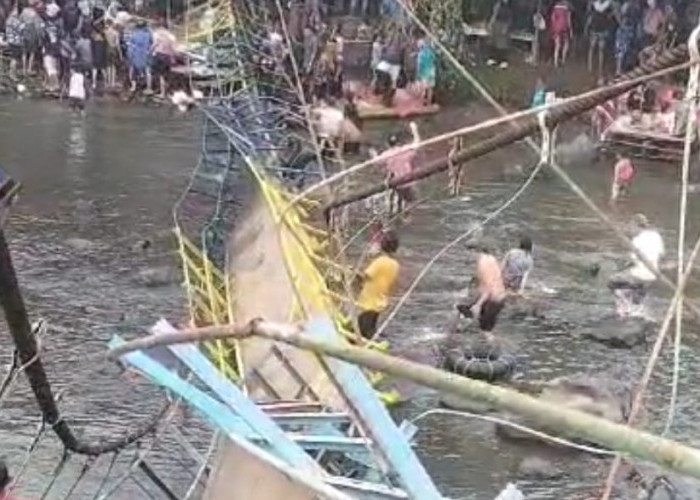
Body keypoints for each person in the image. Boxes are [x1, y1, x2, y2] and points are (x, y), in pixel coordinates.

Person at [608, 214, 665, 318]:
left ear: (636, 225)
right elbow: (661, 255)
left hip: (639, 274)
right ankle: (637, 304)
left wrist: (624, 265)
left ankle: (623, 308)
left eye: (631, 227)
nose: (630, 230)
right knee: (633, 285)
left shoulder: (636, 240)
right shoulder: (656, 235)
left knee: (612, 281)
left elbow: (633, 260)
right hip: (653, 274)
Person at [356, 229, 400, 339]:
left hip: (369, 302)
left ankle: (368, 346)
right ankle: (376, 339)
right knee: (371, 326)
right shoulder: (395, 265)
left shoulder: (379, 261)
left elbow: (366, 276)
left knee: (363, 330)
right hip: (380, 302)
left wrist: (354, 273)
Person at [371, 121, 421, 215]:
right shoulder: (405, 151)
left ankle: (396, 212)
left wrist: (373, 154)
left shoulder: (386, 155)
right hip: (407, 182)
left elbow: (376, 163)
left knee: (399, 199)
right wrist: (415, 130)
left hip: (395, 183)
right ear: (399, 142)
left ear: (388, 144)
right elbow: (417, 143)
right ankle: (406, 215)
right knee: (414, 203)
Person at [457, 249, 507, 339]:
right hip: (499, 298)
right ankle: (460, 329)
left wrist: (478, 305)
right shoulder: (491, 259)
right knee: (464, 310)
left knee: (485, 331)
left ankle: (492, 347)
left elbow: (488, 288)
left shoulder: (482, 264)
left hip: (492, 300)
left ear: (474, 251)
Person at [586, 0, 614, 77]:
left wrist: (587, 27)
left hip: (599, 29)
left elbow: (590, 16)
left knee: (596, 49)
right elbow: (590, 16)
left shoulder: (596, 4)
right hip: (599, 29)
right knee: (597, 49)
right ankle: (594, 67)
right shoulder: (607, 4)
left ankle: (594, 67)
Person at [151, 20, 177, 98]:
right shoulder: (171, 36)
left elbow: (154, 44)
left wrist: (149, 51)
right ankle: (168, 92)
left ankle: (162, 93)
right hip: (167, 56)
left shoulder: (157, 34)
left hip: (159, 55)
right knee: (167, 75)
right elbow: (173, 48)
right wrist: (173, 57)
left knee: (161, 76)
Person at [488, 0, 513, 68]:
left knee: (503, 44)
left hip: (504, 24)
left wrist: (506, 27)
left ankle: (503, 60)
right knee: (494, 41)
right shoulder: (498, 4)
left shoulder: (509, 7)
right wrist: (491, 23)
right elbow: (494, 14)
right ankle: (493, 59)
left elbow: (510, 18)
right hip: (497, 24)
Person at [550, 0, 573, 67]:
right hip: (564, 27)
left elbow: (552, 18)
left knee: (557, 45)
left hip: (556, 28)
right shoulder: (567, 7)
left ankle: (555, 62)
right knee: (566, 44)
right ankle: (563, 60)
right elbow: (569, 20)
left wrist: (553, 27)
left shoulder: (555, 6)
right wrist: (571, 30)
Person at [4, 7, 24, 80]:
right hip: (16, 42)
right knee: (15, 59)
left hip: (10, 41)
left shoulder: (8, 20)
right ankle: (12, 74)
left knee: (13, 58)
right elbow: (21, 29)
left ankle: (11, 73)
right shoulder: (15, 21)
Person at [416, 38, 436, 105]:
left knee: (424, 88)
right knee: (431, 87)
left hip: (424, 72)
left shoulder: (420, 54)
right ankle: (430, 101)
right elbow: (434, 60)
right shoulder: (430, 52)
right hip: (431, 70)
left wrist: (418, 74)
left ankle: (423, 102)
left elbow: (419, 64)